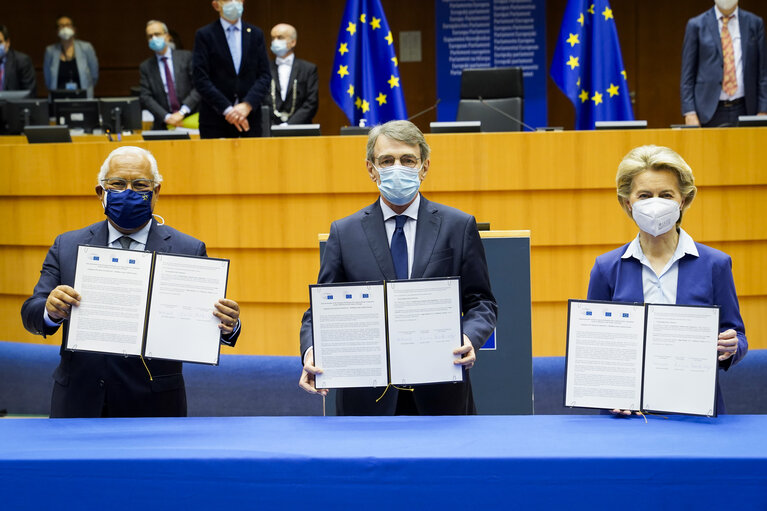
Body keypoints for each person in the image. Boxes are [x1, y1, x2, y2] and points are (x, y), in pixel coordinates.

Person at [20, 146, 242, 418]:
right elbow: (31, 314)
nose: (128, 192)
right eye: (117, 184)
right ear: (101, 193)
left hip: (155, 407)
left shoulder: (188, 248)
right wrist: (50, 311)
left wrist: (228, 325)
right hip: (79, 404)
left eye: (140, 185)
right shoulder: (67, 245)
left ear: (156, 192)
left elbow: (202, 323)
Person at [299, 120, 497, 415]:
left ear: (424, 167)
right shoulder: (344, 232)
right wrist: (312, 350)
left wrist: (469, 337)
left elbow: (482, 302)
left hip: (441, 395)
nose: (397, 168)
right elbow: (321, 311)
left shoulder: (458, 226)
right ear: (371, 169)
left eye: (408, 160)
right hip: (366, 401)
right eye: (386, 161)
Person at [587, 145, 747, 414]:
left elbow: (737, 335)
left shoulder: (715, 264)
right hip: (626, 417)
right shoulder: (606, 267)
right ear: (628, 202)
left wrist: (731, 346)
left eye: (666, 195)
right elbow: (593, 347)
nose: (655, 203)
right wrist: (610, 394)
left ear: (682, 200)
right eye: (645, 195)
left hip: (695, 413)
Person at [681, 0, 767, 127]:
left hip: (746, 108)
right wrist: (689, 111)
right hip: (708, 111)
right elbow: (687, 74)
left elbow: (763, 73)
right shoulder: (696, 25)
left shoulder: (754, 23)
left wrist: (763, 109)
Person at [192, 0, 271, 138]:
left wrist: (247, 105)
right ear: (216, 5)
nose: (233, 3)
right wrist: (228, 110)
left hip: (250, 118)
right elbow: (200, 78)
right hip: (215, 119)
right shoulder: (205, 35)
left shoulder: (255, 33)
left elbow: (264, 75)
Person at [139, 20, 200, 130]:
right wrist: (166, 117)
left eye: (157, 34)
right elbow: (145, 97)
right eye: (150, 36)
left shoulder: (186, 57)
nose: (154, 39)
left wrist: (182, 112)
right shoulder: (146, 67)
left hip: (191, 119)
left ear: (167, 36)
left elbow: (198, 87)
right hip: (163, 124)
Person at [264, 23, 318, 125]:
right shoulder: (264, 69)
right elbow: (262, 101)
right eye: (273, 38)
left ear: (293, 42)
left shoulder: (308, 69)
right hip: (270, 130)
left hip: (301, 130)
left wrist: (290, 125)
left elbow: (311, 102)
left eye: (280, 37)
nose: (275, 42)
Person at [43, 15, 99, 98]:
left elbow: (94, 75)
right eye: (61, 25)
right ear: (57, 31)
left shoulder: (86, 47)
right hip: (59, 97)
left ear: (74, 28)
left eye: (68, 25)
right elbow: (48, 79)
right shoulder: (50, 51)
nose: (65, 28)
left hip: (82, 96)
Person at [0, 25, 36, 94]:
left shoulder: (22, 61)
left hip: (12, 104)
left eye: (0, 42)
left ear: (7, 42)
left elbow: (29, 93)